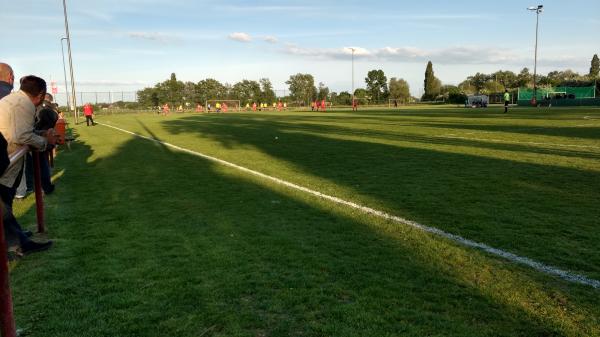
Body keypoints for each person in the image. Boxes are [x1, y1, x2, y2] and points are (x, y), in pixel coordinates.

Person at [0, 75, 54, 254]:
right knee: (4, 208)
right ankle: (18, 244)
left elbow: (22, 131)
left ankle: (16, 237)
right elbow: (21, 136)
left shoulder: (14, 99)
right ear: (40, 94)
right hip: (6, 162)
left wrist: (40, 134)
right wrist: (45, 142)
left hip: (7, 159)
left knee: (6, 205)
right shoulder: (24, 104)